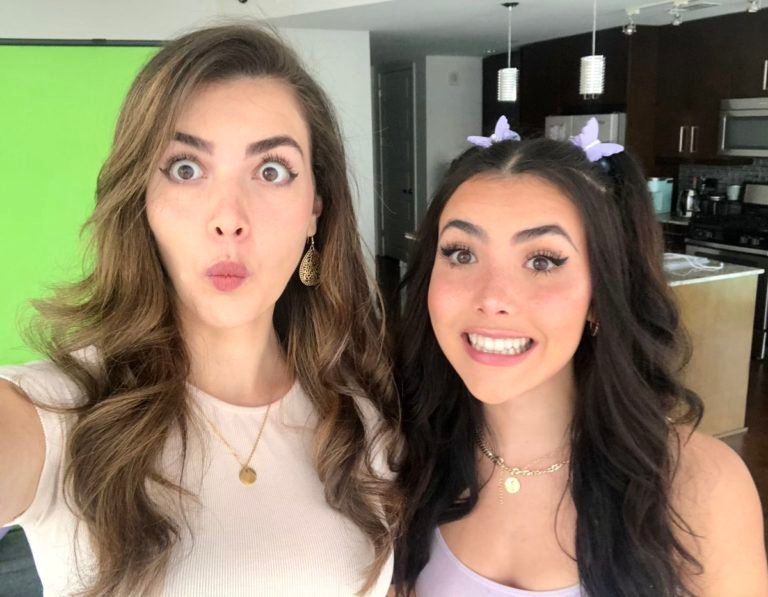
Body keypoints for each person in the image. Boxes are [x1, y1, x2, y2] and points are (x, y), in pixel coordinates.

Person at [0, 25, 400, 597]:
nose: (229, 218)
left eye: (271, 170)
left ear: (316, 204)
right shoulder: (58, 412)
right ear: (142, 199)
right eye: (185, 168)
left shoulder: (366, 419)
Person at [394, 117, 768, 596]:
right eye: (462, 254)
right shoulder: (399, 456)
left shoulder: (699, 486)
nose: (492, 298)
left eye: (542, 261)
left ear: (599, 296)